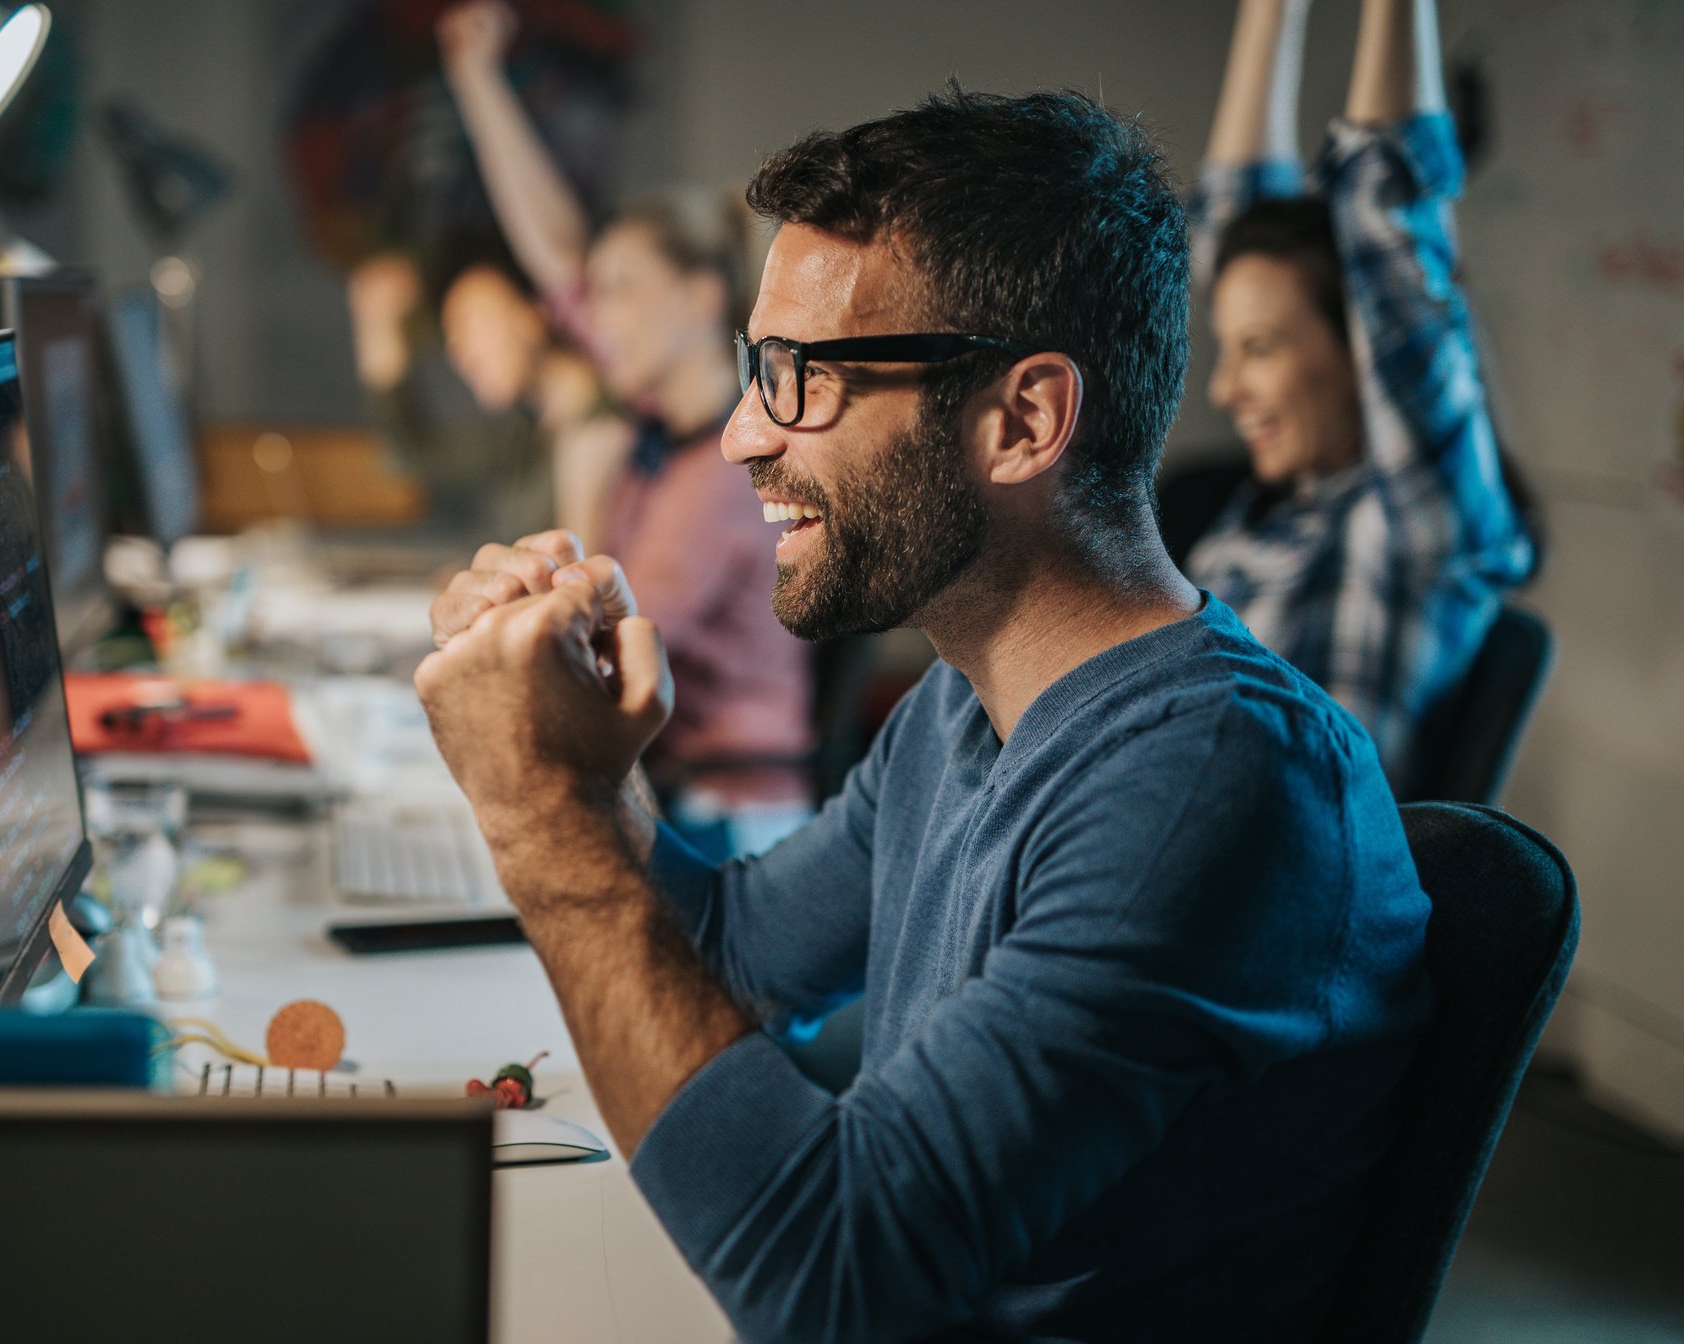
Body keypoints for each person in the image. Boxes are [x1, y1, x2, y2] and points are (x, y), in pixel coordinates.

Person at [414, 85, 1432, 1342]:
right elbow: (726, 961)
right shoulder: (968, 701)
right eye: (753, 371)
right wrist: (577, 766)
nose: (740, 437)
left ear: (1023, 421)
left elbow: (833, 1276)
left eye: (800, 380)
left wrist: (537, 816)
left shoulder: (1211, 779)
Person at [437, 0, 814, 858]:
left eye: (620, 291)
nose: (590, 315)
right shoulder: (661, 424)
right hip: (675, 791)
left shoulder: (729, 470)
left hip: (730, 820)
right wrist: (476, 78)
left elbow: (606, 660)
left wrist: (578, 489)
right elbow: (556, 255)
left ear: (697, 298)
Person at [1186, 0, 1535, 795]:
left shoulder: (1415, 533)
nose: (1224, 388)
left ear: (1362, 353)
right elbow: (1237, 235)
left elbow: (1385, 222)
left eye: (1259, 350)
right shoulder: (1281, 509)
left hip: (1285, 903)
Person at [345, 252, 627, 546]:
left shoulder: (600, 428)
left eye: (471, 325)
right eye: (453, 338)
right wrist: (379, 330)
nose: (461, 353)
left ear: (533, 315)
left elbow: (580, 581)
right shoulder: (525, 437)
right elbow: (413, 455)